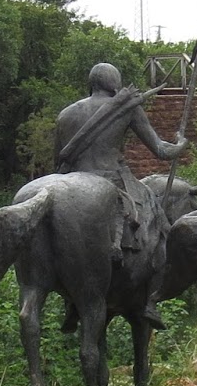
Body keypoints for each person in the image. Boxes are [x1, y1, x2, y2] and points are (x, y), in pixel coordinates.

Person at [53, 62, 187, 263]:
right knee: (155, 214)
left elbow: (57, 161)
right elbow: (161, 150)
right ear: (115, 84)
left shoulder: (65, 114)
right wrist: (181, 144)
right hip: (112, 177)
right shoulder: (128, 108)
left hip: (71, 177)